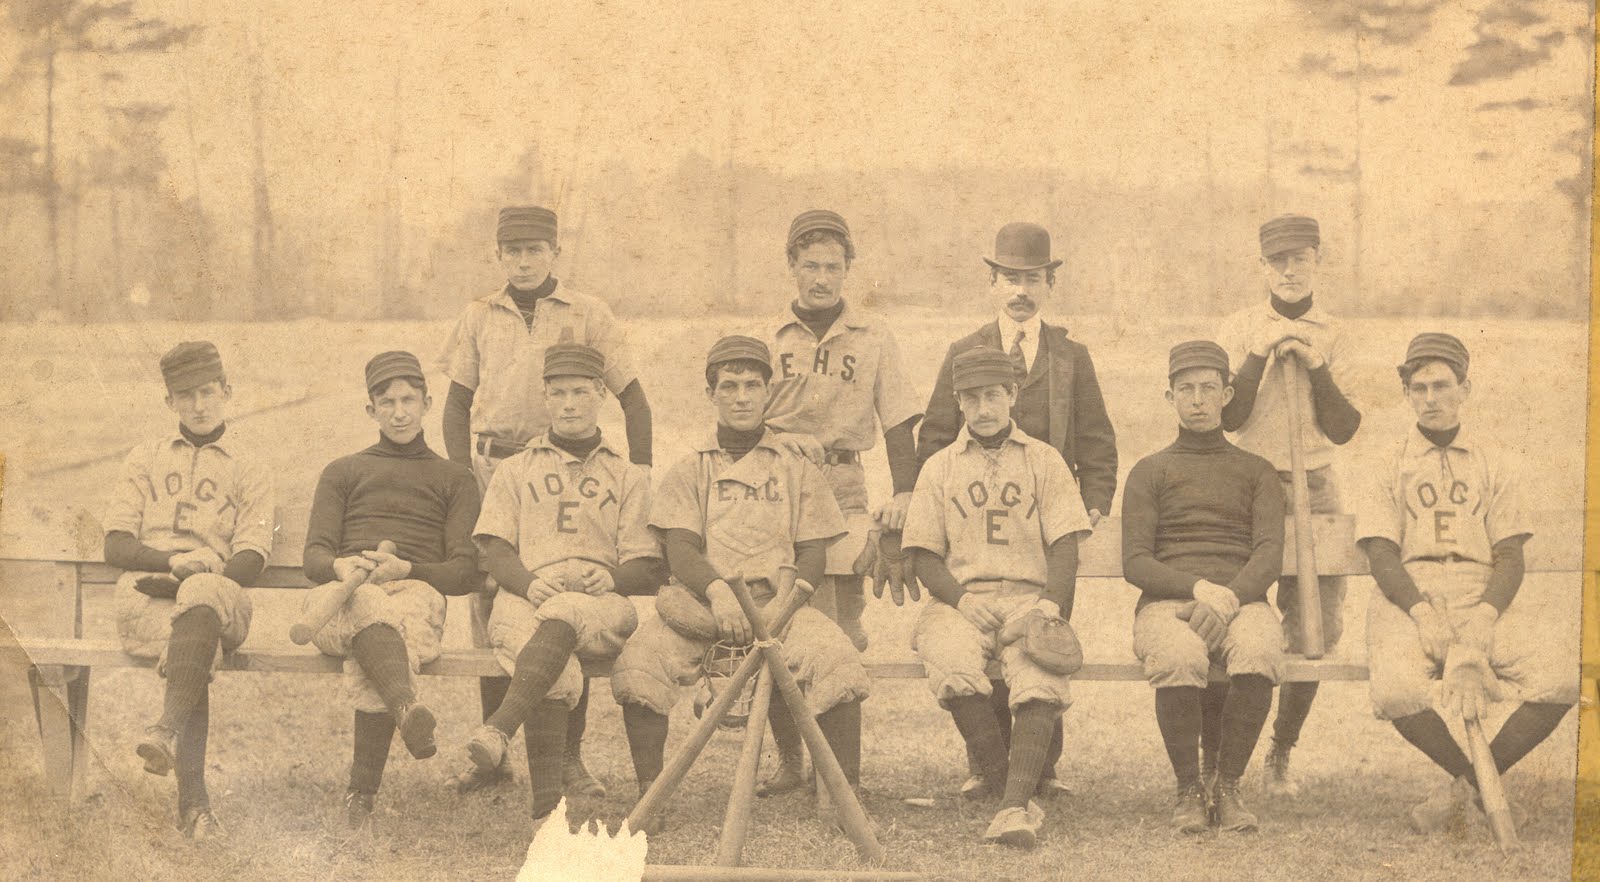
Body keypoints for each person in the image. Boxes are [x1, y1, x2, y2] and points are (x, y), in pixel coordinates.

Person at [610, 335, 870, 833]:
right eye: (729, 386)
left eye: (753, 385)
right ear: (711, 394)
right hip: (705, 607)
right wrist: (718, 592)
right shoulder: (691, 468)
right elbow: (680, 548)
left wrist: (786, 606)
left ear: (769, 392)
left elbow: (812, 551)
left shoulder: (795, 466)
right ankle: (650, 794)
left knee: (837, 661)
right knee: (639, 666)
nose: (742, 396)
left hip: (780, 604)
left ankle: (846, 798)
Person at [437, 204, 653, 795]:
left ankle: (567, 759)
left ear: (555, 252)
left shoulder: (588, 312)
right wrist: (462, 478)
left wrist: (640, 473)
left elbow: (633, 397)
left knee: (569, 599)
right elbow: (456, 405)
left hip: (573, 471)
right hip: (498, 466)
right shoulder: (480, 314)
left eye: (536, 250)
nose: (524, 261)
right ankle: (495, 753)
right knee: (493, 603)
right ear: (498, 255)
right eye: (513, 251)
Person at [916, 221, 1116, 799]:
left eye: (1032, 279)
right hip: (976, 523)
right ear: (993, 283)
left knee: (1039, 643)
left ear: (1049, 283)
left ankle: (1040, 768)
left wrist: (1094, 502)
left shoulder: (1070, 355)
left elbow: (1097, 438)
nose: (1021, 290)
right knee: (972, 638)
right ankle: (991, 767)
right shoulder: (964, 352)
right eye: (1010, 278)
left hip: (1045, 523)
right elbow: (935, 436)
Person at [1356, 332, 1576, 833]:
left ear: (1465, 389)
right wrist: (1421, 613)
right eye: (1418, 388)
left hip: (1483, 590)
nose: (1429, 398)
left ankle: (1463, 790)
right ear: (1407, 393)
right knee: (1394, 690)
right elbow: (1381, 554)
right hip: (1410, 592)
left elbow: (1511, 556)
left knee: (1561, 678)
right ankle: (1477, 784)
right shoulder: (1387, 460)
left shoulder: (1494, 459)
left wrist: (1485, 616)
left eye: (1441, 386)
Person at [459, 342, 666, 830]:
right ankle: (547, 814)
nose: (569, 404)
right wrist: (528, 583)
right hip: (524, 598)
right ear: (545, 397)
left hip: (600, 604)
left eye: (580, 392)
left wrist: (613, 577)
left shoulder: (627, 474)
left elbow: (647, 564)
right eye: (559, 393)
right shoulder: (515, 469)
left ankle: (499, 729)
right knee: (557, 671)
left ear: (600, 395)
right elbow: (495, 550)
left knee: (565, 614)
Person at [757, 209, 922, 794]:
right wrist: (775, 437)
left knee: (840, 628)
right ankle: (789, 760)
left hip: (844, 482)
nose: (821, 278)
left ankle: (833, 768)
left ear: (848, 268)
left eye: (832, 267)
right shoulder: (769, 335)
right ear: (792, 266)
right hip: (775, 485)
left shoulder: (873, 336)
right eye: (810, 266)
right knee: (777, 620)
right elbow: (737, 416)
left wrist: (905, 491)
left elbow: (898, 421)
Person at [902, 347, 1093, 849]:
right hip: (961, 602)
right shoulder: (939, 466)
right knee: (952, 662)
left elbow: (1065, 546)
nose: (983, 408)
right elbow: (924, 557)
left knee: (1038, 671)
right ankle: (1015, 793)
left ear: (1012, 394)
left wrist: (1048, 606)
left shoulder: (1044, 460)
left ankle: (1010, 805)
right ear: (958, 402)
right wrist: (962, 601)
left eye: (992, 395)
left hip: (1029, 598)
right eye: (971, 398)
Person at [302, 351, 482, 827]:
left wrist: (408, 567)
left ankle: (361, 796)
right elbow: (314, 556)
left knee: (381, 637)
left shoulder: (455, 478)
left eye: (408, 400)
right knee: (370, 606)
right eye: (387, 403)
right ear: (371, 410)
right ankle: (405, 708)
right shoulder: (343, 471)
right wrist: (341, 565)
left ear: (427, 403)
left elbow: (464, 572)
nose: (399, 412)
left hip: (415, 594)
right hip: (344, 597)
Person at [1216, 214, 1361, 796]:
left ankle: (1281, 750)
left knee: (1315, 625)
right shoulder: (1238, 327)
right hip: (1247, 480)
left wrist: (1316, 364)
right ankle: (1222, 755)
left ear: (1318, 261)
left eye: (1300, 258)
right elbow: (1229, 417)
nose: (1289, 271)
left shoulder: (1338, 333)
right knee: (1236, 614)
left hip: (1316, 483)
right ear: (1262, 267)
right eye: (1278, 261)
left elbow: (1345, 428)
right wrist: (1259, 354)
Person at [105, 341, 274, 840]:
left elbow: (252, 557)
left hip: (221, 595)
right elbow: (116, 544)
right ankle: (193, 807)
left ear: (227, 392)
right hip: (148, 598)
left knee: (200, 607)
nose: (199, 405)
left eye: (207, 392)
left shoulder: (250, 464)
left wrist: (204, 576)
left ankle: (167, 732)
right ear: (169, 401)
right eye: (185, 396)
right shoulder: (144, 458)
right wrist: (173, 563)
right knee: (195, 640)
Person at [1122, 341, 1285, 835]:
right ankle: (1189, 790)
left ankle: (1227, 786)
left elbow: (1268, 554)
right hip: (1169, 602)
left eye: (1209, 388)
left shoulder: (1257, 471)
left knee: (1260, 649)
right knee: (1178, 655)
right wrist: (1198, 589)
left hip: (1241, 600)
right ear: (1169, 396)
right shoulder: (1150, 470)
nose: (1197, 400)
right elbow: (1136, 561)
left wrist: (1227, 597)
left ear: (1227, 394)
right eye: (1186, 389)